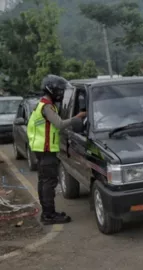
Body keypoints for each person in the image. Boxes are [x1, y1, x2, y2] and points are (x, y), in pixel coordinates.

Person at [27, 75, 86, 225]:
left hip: (41, 149)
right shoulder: (46, 106)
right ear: (51, 90)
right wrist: (77, 117)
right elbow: (59, 124)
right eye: (59, 91)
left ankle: (48, 213)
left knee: (44, 182)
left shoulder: (43, 104)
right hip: (45, 150)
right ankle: (48, 215)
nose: (60, 94)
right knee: (48, 182)